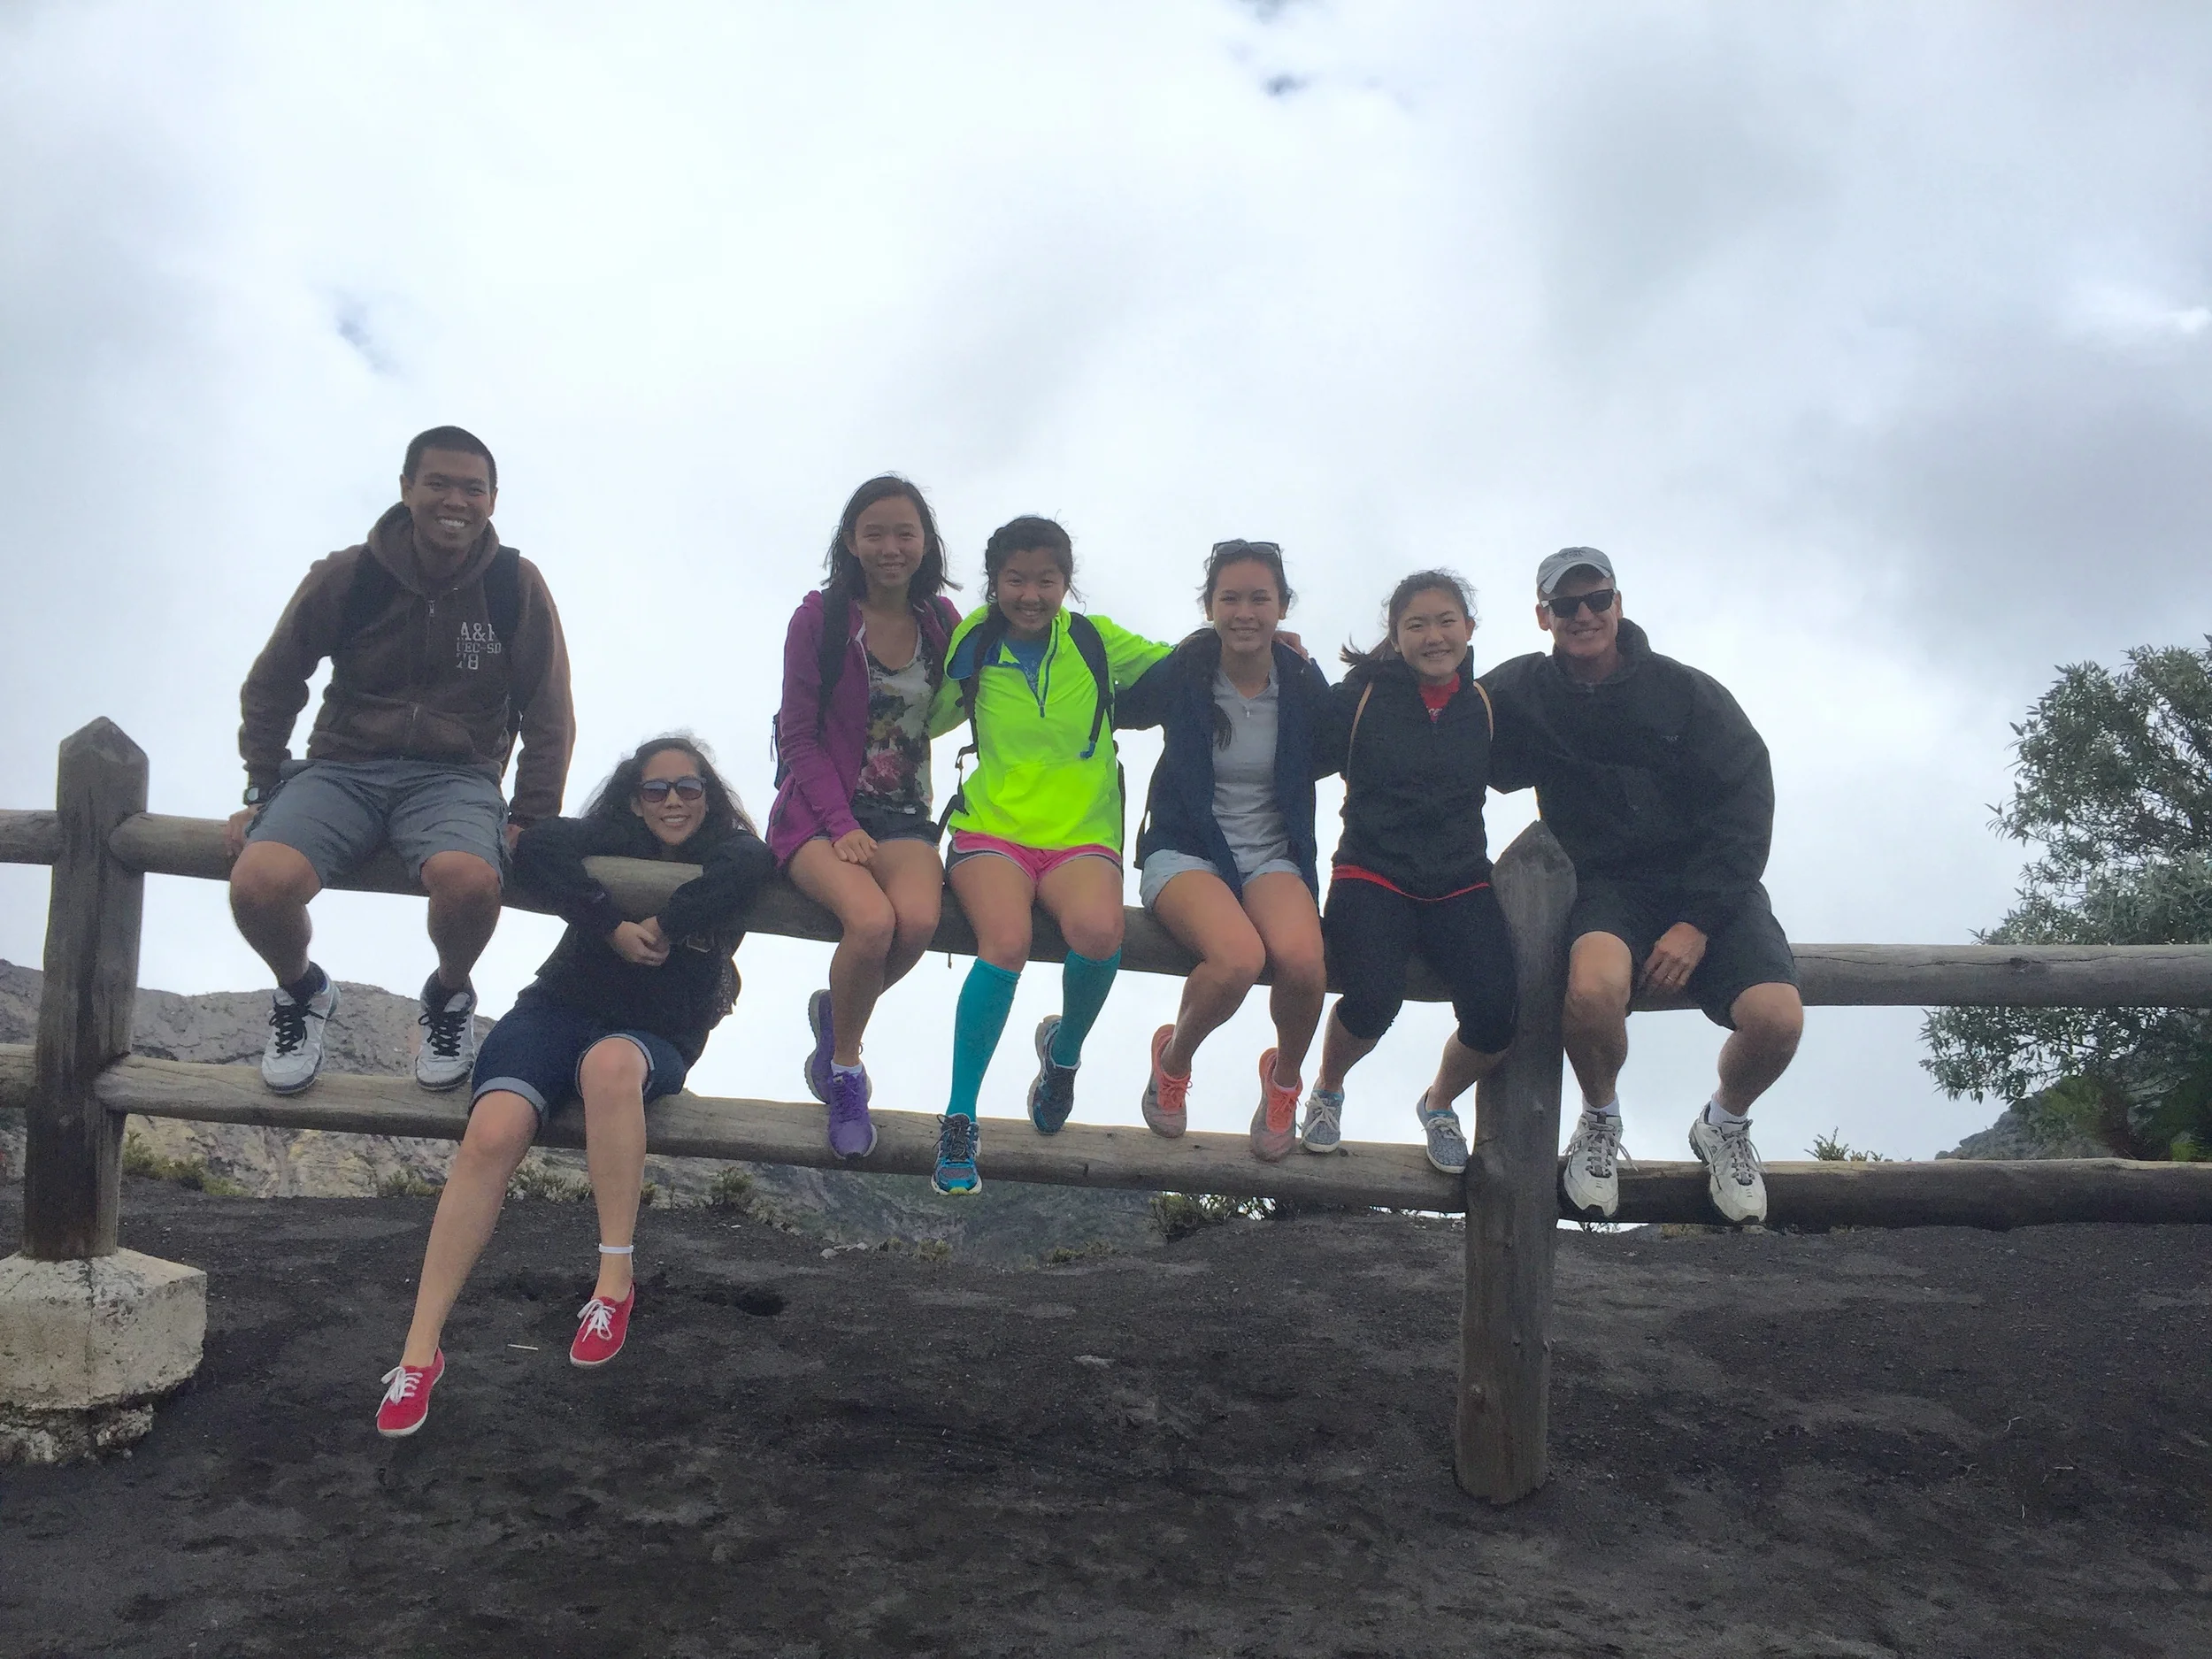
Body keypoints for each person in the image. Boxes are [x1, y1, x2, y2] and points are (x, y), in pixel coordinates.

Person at [375, 736, 774, 1437]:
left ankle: (614, 1281)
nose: (674, 800)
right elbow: (534, 846)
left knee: (608, 1069)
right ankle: (418, 1352)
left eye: (689, 786)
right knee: (491, 1132)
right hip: (557, 1009)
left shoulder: (730, 853)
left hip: (655, 1034)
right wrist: (611, 922)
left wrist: (665, 922)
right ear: (632, 796)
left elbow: (754, 860)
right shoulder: (604, 839)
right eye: (657, 788)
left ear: (709, 795)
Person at [227, 426, 574, 1097]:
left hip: (457, 777)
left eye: (473, 488)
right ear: (407, 488)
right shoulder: (350, 575)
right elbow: (274, 679)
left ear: (493, 499)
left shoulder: (513, 586)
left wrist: (532, 816)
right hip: (341, 769)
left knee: (472, 881)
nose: (456, 500)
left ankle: (448, 997)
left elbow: (549, 707)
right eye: (438, 482)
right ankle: (301, 991)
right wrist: (262, 781)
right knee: (257, 884)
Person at [1484, 547, 1803, 1225]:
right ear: (1543, 616)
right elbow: (1436, 702)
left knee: (1777, 1020)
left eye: (1597, 598)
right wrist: (1305, 663)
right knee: (1593, 991)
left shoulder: (1685, 692)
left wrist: (1699, 921)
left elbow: (1747, 801)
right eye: (1566, 605)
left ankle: (1724, 1122)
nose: (1584, 614)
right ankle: (1600, 1121)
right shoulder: (1523, 693)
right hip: (1605, 885)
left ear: (1619, 603)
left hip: (1712, 887)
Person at [923, 516, 1173, 1196]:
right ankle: (960, 1117)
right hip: (992, 826)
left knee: (1099, 931)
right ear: (994, 581)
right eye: (1015, 580)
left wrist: (1270, 648)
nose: (1030, 594)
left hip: (1082, 831)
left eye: (1046, 580)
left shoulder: (1093, 641)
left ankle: (1062, 1057)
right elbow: (921, 711)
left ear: (1066, 582)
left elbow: (1183, 663)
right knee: (1002, 941)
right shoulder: (972, 640)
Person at [1117, 540, 1333, 1161]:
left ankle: (1284, 1080)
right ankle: (1173, 1061)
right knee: (1237, 958)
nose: (1245, 611)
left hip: (1271, 853)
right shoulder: (1186, 670)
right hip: (1185, 850)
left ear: (1282, 605)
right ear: (1208, 606)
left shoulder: (1299, 682)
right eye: (1229, 598)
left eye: (1259, 598)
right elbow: (1111, 708)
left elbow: (1349, 738)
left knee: (1303, 962)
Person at [767, 476, 963, 1160]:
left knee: (917, 922)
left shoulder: (941, 621)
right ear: (850, 540)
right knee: (872, 922)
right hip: (819, 814)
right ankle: (845, 1070)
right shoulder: (819, 620)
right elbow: (798, 737)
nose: (890, 546)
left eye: (905, 532)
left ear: (925, 542)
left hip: (907, 816)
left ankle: (834, 1013)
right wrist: (839, 821)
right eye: (874, 532)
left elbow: (1006, 663)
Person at [1301, 571, 1518, 1176]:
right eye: (1416, 624)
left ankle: (1438, 1102)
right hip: (1372, 871)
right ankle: (1328, 1088)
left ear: (1469, 629)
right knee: (1371, 997)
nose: (1433, 635)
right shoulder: (1362, 695)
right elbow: (1298, 747)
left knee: (1499, 1012)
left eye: (1446, 620)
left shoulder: (1484, 705)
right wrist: (1286, 663)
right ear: (1395, 637)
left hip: (1461, 878)